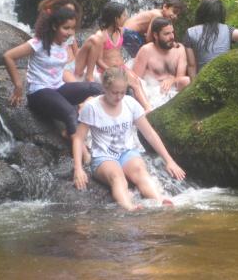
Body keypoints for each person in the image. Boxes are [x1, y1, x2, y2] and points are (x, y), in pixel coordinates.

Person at [72, 67, 186, 211]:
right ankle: (128, 206)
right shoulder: (92, 108)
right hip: (103, 157)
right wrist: (78, 169)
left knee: (140, 170)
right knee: (116, 175)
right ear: (105, 88)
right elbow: (78, 138)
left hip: (127, 153)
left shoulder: (130, 103)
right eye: (114, 92)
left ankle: (159, 199)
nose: (119, 97)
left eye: (122, 92)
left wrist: (169, 161)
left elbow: (149, 133)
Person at [3, 6, 103, 161]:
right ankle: (84, 156)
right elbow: (8, 56)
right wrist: (18, 86)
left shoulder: (66, 41)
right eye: (66, 28)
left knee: (96, 88)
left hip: (58, 88)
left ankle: (74, 132)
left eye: (72, 28)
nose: (70, 32)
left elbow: (73, 62)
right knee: (70, 112)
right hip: (38, 92)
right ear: (55, 26)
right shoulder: (39, 43)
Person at [75, 2, 153, 112]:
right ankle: (146, 108)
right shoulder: (101, 36)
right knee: (131, 83)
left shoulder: (121, 31)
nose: (127, 18)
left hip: (121, 67)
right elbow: (98, 60)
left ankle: (147, 107)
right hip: (107, 70)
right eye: (124, 16)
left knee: (136, 81)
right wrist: (110, 69)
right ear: (116, 19)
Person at [184, 0, 238, 80]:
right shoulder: (227, 30)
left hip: (203, 79)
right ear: (221, 14)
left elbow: (191, 65)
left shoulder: (190, 32)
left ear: (200, 13)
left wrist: (193, 86)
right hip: (225, 77)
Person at [132, 17, 190, 108]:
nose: (172, 37)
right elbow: (135, 80)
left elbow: (180, 77)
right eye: (166, 34)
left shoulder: (179, 49)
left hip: (172, 90)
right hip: (152, 92)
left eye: (172, 32)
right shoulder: (146, 50)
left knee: (187, 81)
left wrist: (172, 80)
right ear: (156, 35)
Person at [33, 0, 83, 83]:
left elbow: (75, 50)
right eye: (66, 10)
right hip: (62, 68)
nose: (69, 14)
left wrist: (80, 67)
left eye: (72, 11)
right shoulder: (47, 33)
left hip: (74, 63)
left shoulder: (70, 29)